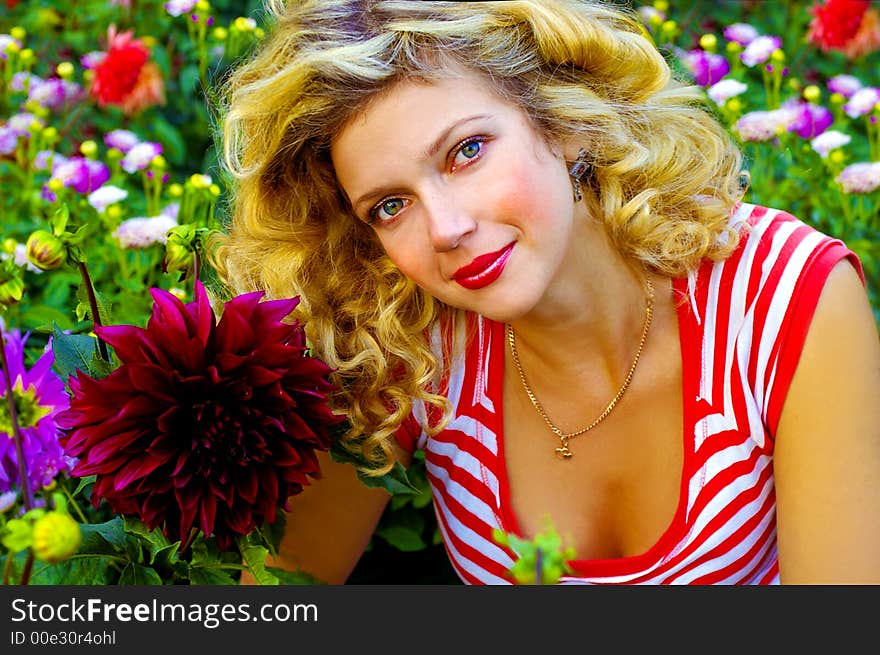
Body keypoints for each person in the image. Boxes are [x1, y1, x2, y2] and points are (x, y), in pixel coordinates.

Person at [213, 0, 880, 584]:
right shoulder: (408, 343)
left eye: (466, 151)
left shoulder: (788, 300)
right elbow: (275, 594)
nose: (446, 229)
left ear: (561, 119)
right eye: (390, 205)